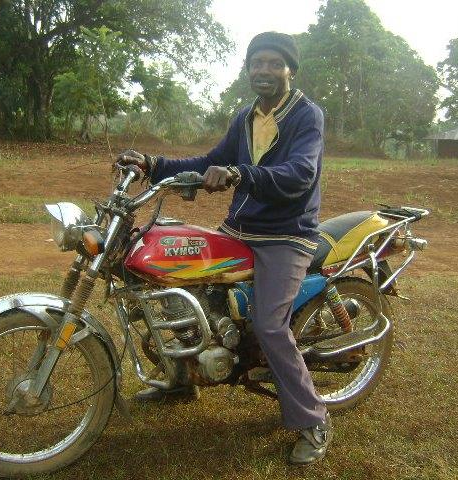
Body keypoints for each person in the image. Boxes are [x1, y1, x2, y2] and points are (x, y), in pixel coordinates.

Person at [116, 31, 332, 465]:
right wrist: (154, 165)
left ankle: (313, 419)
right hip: (240, 228)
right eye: (257, 63)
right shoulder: (246, 116)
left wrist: (239, 174)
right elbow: (207, 160)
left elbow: (300, 174)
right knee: (182, 285)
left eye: (273, 63)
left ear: (290, 69)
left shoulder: (306, 115)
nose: (264, 70)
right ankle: (182, 378)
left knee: (270, 325)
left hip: (286, 234)